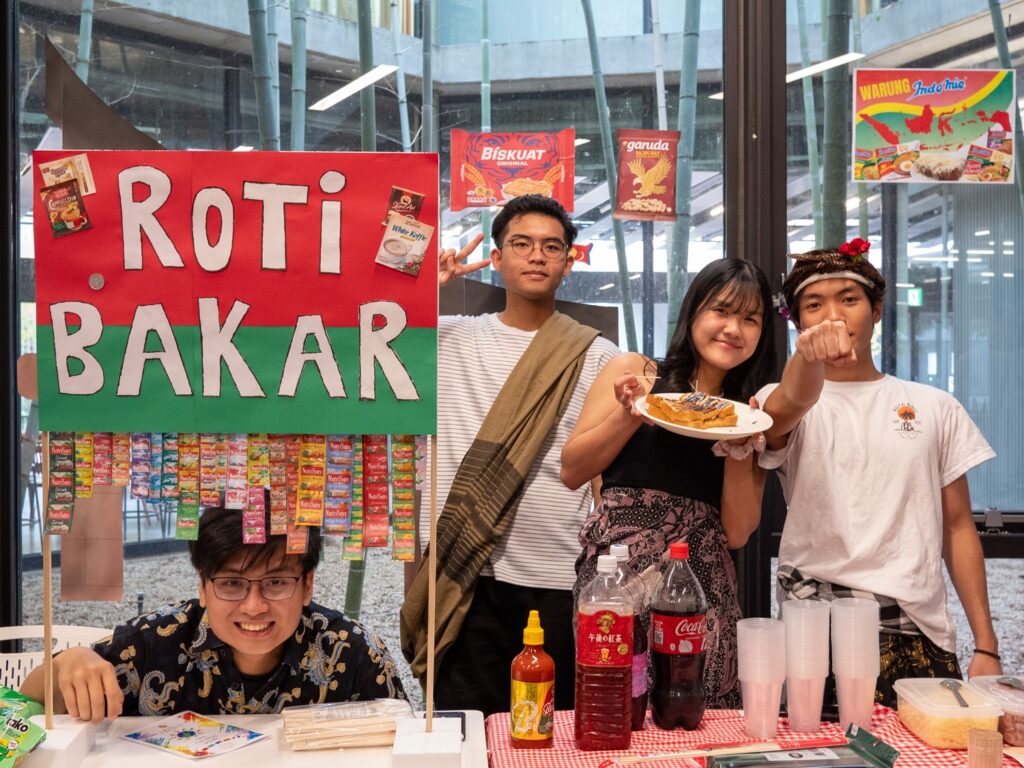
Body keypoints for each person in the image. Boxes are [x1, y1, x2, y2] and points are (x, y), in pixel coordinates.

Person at [399, 194, 619, 716]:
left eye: (551, 246)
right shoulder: (447, 338)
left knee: (550, 732)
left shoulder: (598, 355)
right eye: (521, 244)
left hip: (555, 573)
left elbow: (599, 474)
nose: (537, 256)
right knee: (466, 730)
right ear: (496, 258)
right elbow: (361, 342)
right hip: (463, 570)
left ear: (570, 260)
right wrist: (420, 288)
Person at [758, 238, 1002, 705]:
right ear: (797, 322)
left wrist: (985, 643)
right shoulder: (779, 400)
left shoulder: (935, 405)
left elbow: (957, 527)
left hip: (920, 630)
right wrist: (807, 359)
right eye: (814, 304)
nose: (833, 315)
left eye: (848, 299)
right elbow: (784, 412)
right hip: (817, 634)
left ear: (876, 310)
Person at [562, 258, 777, 708]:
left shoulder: (752, 412)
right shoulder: (637, 373)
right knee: (615, 704)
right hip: (615, 577)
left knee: (695, 709)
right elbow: (573, 470)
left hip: (700, 582)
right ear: (694, 312)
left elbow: (737, 532)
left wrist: (741, 446)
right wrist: (629, 413)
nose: (733, 328)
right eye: (721, 310)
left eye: (750, 318)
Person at [21, 502, 405, 722]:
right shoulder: (155, 644)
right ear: (202, 586)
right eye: (232, 583)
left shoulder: (355, 654)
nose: (254, 607)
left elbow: (403, 746)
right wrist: (69, 662)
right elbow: (25, 698)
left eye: (276, 582)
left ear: (307, 585)